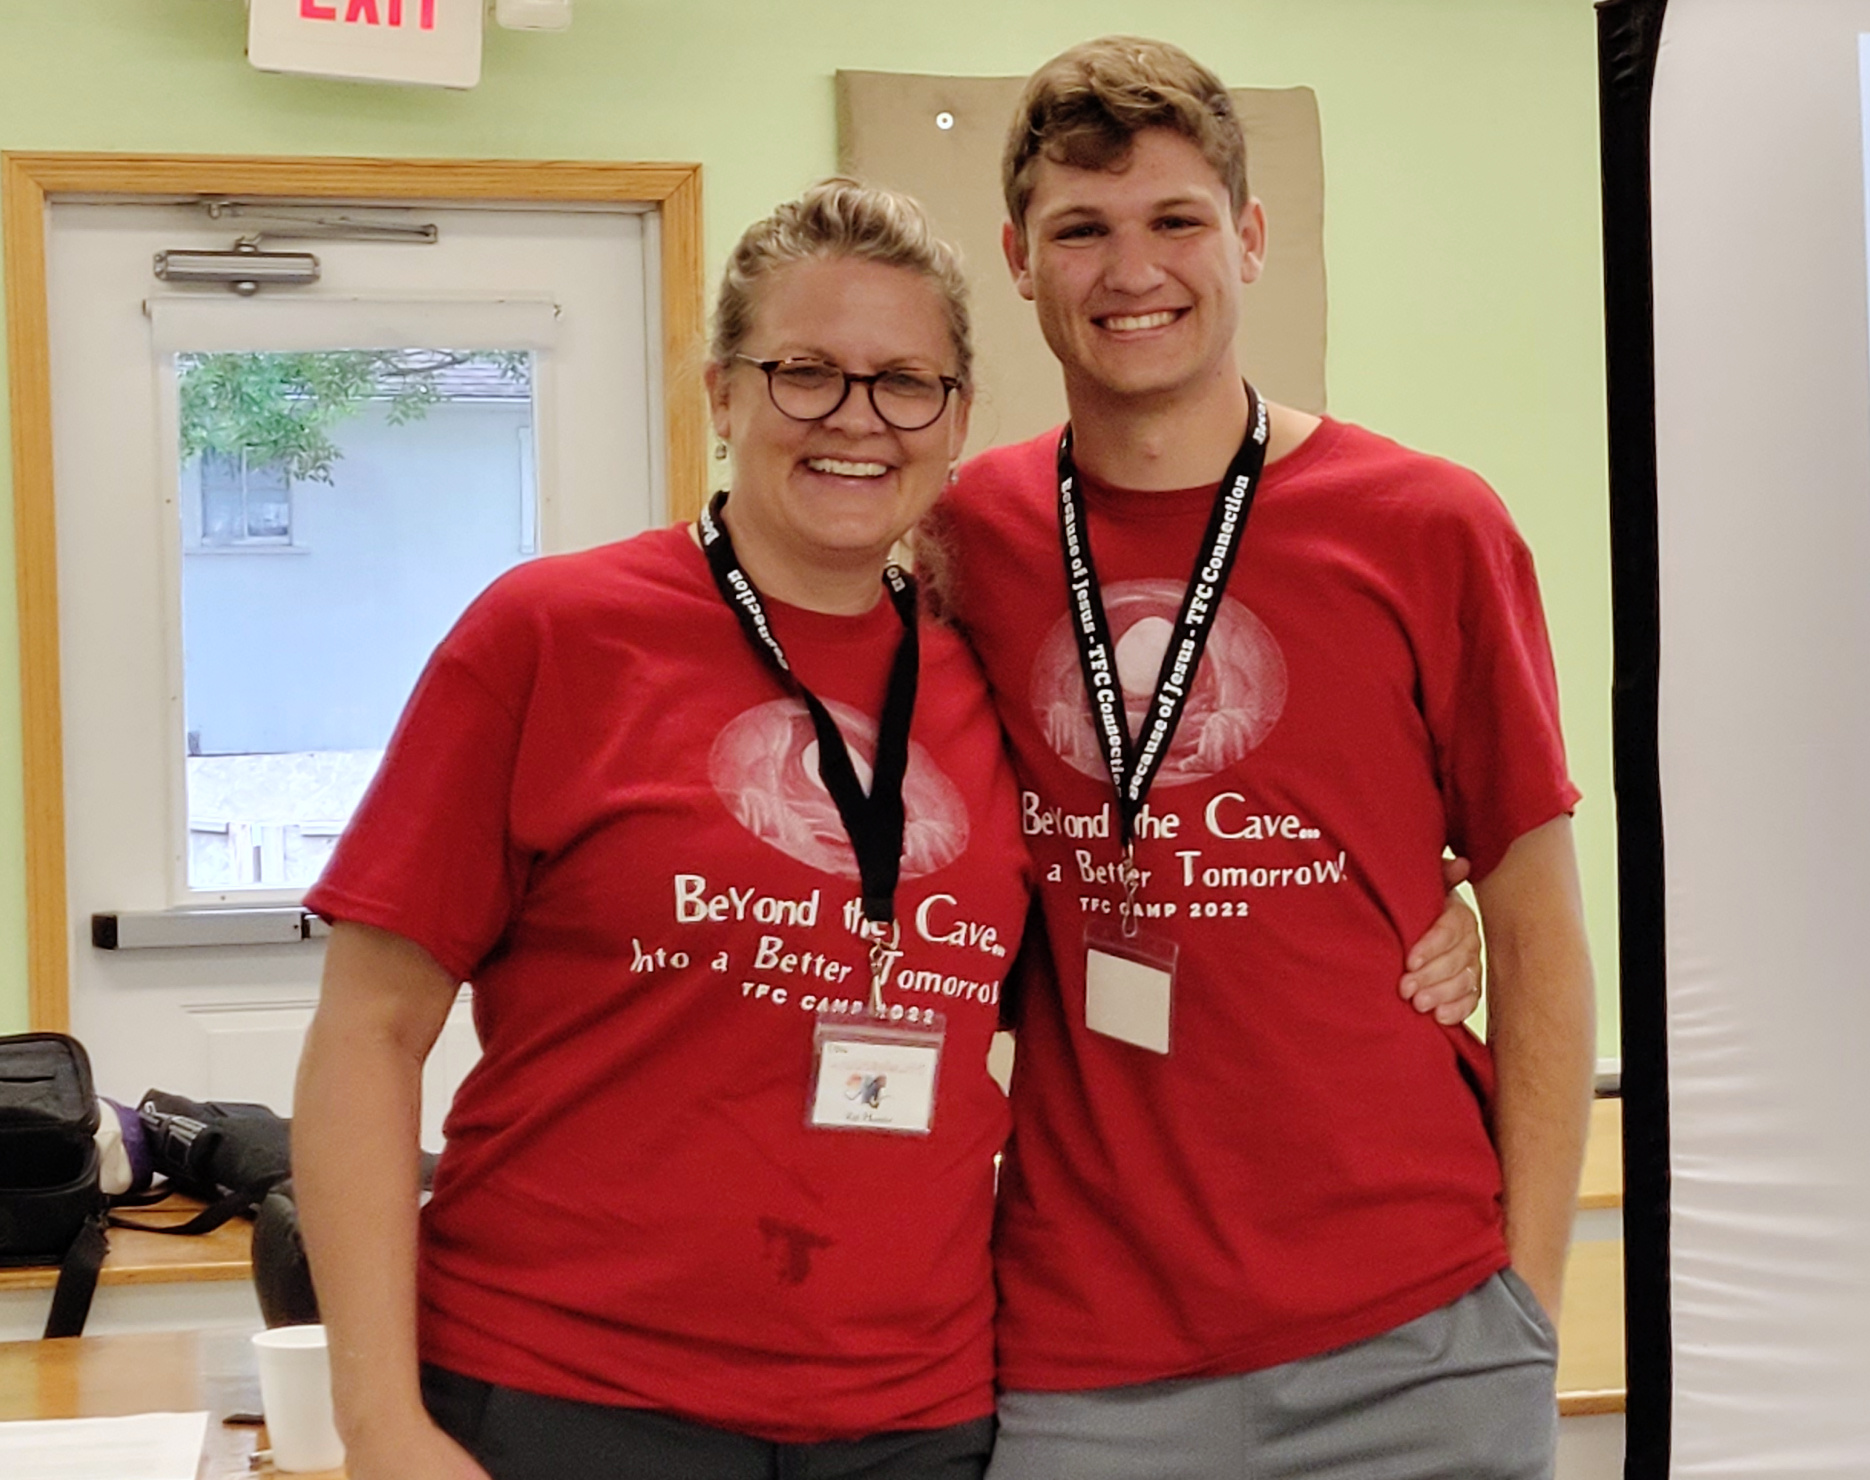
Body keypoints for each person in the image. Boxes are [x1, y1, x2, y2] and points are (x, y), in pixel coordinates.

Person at [291, 179, 1485, 1480]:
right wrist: (379, 1421)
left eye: (906, 383)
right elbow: (367, 1034)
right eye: (806, 372)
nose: (856, 419)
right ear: (723, 395)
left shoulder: (990, 675)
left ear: (956, 419)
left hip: (914, 1417)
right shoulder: (555, 636)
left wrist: (1411, 911)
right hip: (568, 1391)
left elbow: (1138, 913)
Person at [932, 37, 1597, 1480]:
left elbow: (1540, 927)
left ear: (1246, 236)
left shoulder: (1427, 526)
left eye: (1174, 219)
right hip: (1086, 1357)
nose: (1132, 270)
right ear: (1019, 259)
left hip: (1419, 1335)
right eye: (1080, 230)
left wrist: (1527, 1301)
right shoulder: (962, 540)